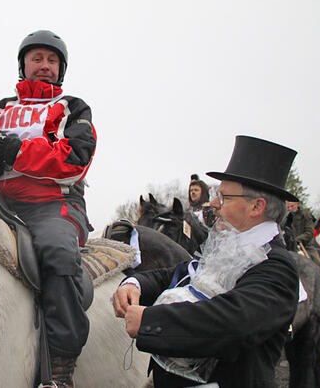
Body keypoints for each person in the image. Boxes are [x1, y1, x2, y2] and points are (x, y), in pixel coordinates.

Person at [112, 136, 300, 388]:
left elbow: (231, 321)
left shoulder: (276, 267)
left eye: (224, 198)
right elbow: (178, 274)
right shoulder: (229, 246)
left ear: (256, 206)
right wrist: (134, 284)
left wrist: (150, 322)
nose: (213, 204)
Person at [0, 30, 95, 387]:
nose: (44, 65)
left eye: (52, 60)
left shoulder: (73, 107)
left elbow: (75, 159)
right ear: (24, 64)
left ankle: (61, 365)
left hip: (52, 203)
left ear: (61, 69)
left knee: (57, 252)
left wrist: (13, 150)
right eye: (37, 58)